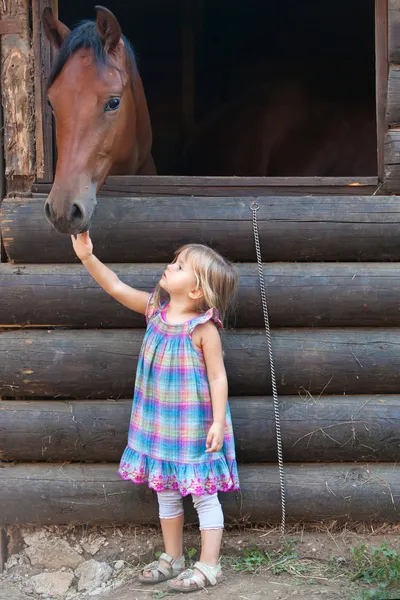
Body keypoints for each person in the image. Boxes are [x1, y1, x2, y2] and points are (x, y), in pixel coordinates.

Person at [71, 232, 240, 592]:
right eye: (175, 260)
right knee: (165, 491)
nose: (170, 265)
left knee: (203, 494)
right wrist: (87, 257)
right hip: (158, 426)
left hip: (195, 429)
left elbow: (218, 376)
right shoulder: (154, 311)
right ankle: (173, 557)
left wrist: (218, 423)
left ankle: (209, 566)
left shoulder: (204, 329)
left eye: (180, 266)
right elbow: (116, 287)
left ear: (196, 291)